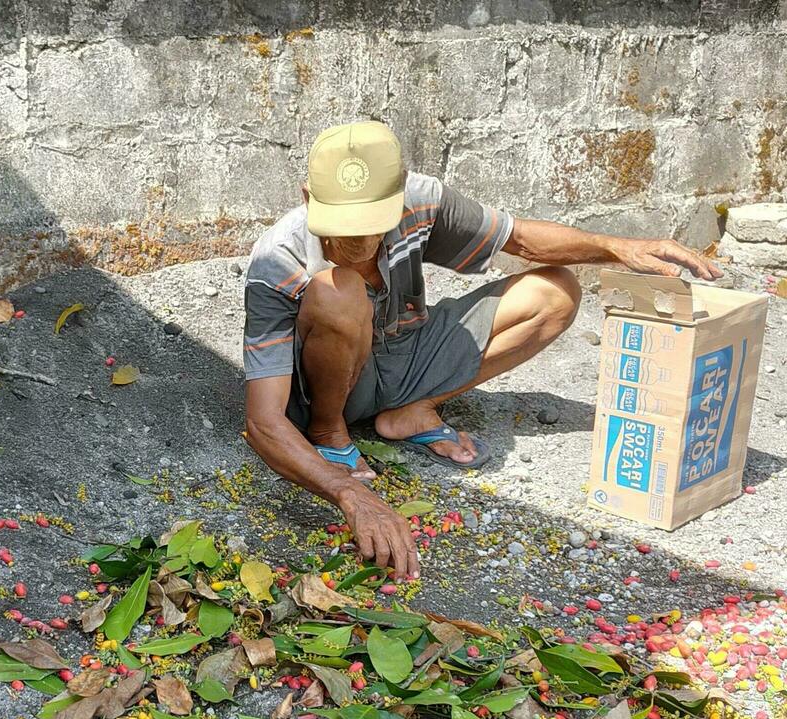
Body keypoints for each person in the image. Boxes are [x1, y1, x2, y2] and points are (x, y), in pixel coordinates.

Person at [241, 121, 722, 578]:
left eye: (370, 224)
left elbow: (521, 240)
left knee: (555, 291)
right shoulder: (277, 258)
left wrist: (616, 247)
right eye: (341, 225)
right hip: (327, 386)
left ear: (398, 197)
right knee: (336, 288)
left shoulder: (419, 201)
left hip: (407, 349)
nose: (355, 241)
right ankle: (330, 434)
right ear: (308, 198)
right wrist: (348, 493)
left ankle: (412, 408)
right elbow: (263, 421)